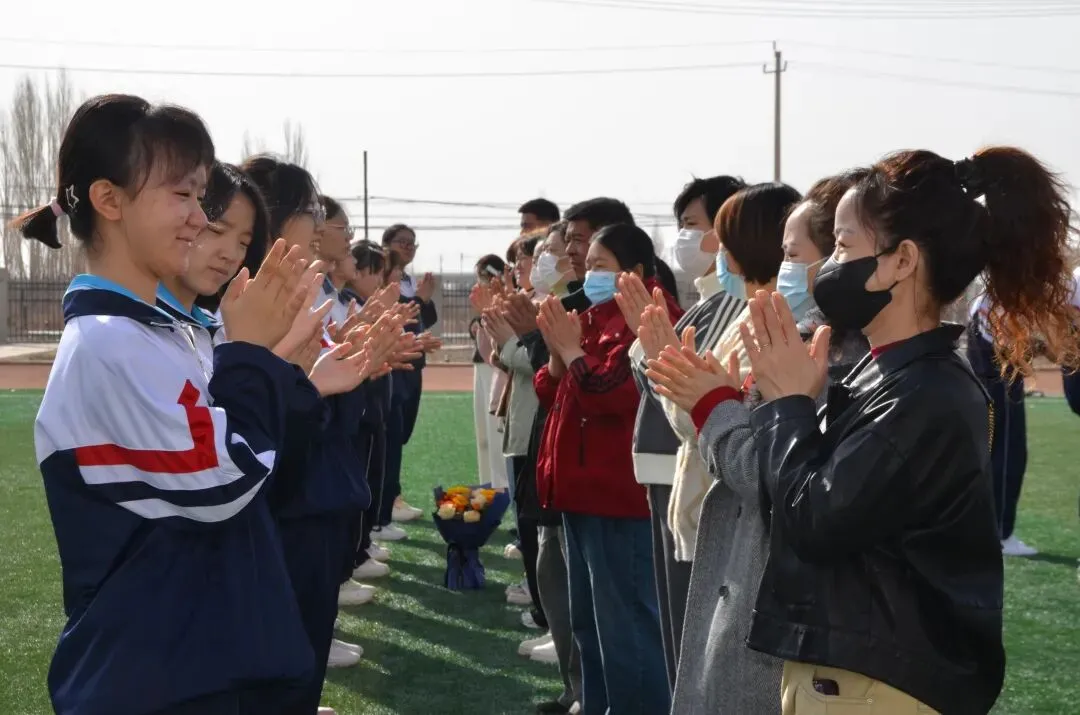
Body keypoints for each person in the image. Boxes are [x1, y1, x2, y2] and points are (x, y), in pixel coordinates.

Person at [657, 146, 1080, 714]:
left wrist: (785, 405)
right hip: (846, 679)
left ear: (901, 261)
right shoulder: (887, 374)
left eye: (843, 245)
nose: (829, 265)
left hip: (878, 688)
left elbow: (814, 518)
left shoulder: (927, 393)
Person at [25, 94, 319, 715]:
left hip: (192, 661)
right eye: (182, 195)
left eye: (200, 197)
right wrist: (253, 357)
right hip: (147, 676)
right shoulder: (107, 342)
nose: (196, 218)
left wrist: (285, 370)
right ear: (109, 201)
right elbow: (225, 481)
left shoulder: (163, 331)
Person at [644, 175, 865, 714]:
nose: (717, 252)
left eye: (797, 253)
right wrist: (705, 395)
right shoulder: (791, 332)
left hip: (774, 591)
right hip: (740, 558)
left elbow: (774, 477)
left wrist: (712, 405)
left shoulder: (822, 350)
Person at [241, 155, 382, 713]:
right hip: (288, 497)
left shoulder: (299, 294)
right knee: (281, 647)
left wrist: (349, 364)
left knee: (305, 641)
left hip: (319, 488)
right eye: (311, 211)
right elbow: (269, 406)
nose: (320, 225)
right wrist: (314, 383)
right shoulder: (251, 302)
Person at [534, 223, 676, 715]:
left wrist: (571, 351)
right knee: (591, 627)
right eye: (587, 264)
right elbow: (554, 391)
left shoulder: (650, 317)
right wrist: (559, 352)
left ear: (634, 270)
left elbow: (612, 394)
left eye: (600, 265)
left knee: (628, 630)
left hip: (619, 497)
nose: (588, 273)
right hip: (582, 494)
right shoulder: (597, 313)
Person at [620, 174, 747, 692]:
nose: (686, 239)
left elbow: (693, 405)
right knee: (682, 648)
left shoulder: (739, 308)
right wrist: (650, 349)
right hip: (680, 481)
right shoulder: (706, 302)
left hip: (708, 487)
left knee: (701, 661)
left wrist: (656, 353)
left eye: (695, 225)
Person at [966, 292, 1037, 557]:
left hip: (988, 383)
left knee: (992, 456)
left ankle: (987, 529)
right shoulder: (999, 299)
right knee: (1008, 457)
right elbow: (1009, 346)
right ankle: (1001, 533)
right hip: (1001, 384)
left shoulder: (984, 299)